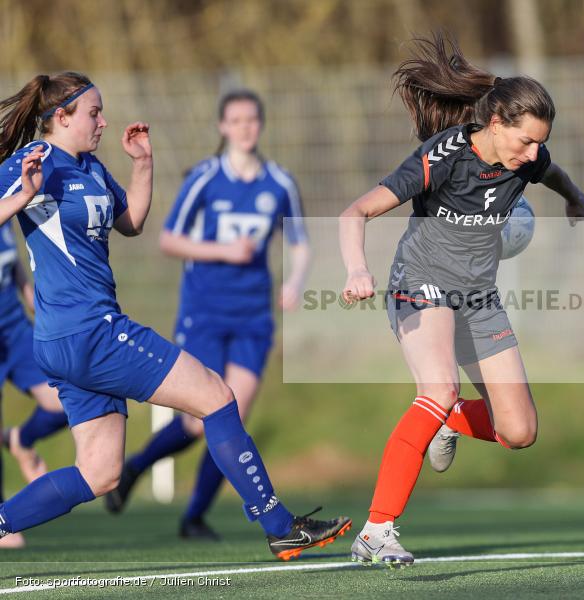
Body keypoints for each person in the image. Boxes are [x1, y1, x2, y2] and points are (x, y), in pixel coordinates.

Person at [0, 71, 349, 560]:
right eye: (94, 113)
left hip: (70, 340)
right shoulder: (33, 161)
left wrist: (143, 164)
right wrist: (20, 197)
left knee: (100, 473)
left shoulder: (92, 167)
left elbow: (132, 223)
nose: (103, 122)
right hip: (91, 332)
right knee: (216, 397)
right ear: (61, 117)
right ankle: (279, 525)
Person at [340, 34, 584, 566]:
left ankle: (450, 418)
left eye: (539, 144)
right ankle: (377, 530)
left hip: (477, 296)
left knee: (518, 431)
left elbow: (553, 173)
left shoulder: (528, 159)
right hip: (420, 281)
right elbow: (355, 212)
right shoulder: (442, 158)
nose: (533, 153)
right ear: (496, 124)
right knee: (437, 386)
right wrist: (357, 268)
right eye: (526, 141)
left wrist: (575, 198)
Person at [103, 89, 312, 541]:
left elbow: (300, 243)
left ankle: (194, 516)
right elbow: (169, 240)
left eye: (251, 119)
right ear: (223, 127)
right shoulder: (204, 178)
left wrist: (295, 282)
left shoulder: (279, 182)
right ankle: (137, 466)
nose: (244, 128)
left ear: (260, 125)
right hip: (205, 313)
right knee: (196, 423)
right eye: (235, 120)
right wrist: (224, 251)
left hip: (253, 318)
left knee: (231, 416)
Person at [0, 221, 70, 548]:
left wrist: (30, 294)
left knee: (64, 400)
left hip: (14, 329)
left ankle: (21, 440)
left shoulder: (5, 207)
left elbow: (11, 261)